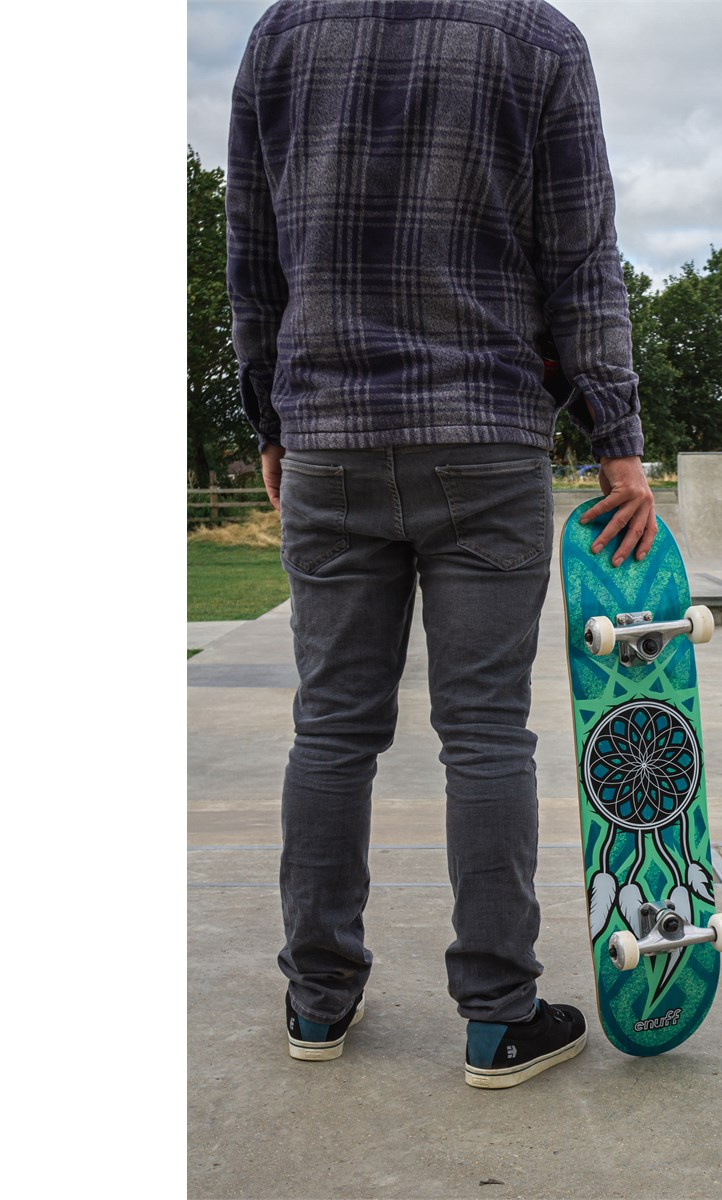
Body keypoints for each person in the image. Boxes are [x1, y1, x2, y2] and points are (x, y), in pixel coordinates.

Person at [225, 0, 655, 1088]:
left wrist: (272, 420)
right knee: (486, 732)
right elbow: (582, 259)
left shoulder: (280, 35)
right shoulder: (538, 38)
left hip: (329, 437)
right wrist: (618, 440)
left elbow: (253, 259)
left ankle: (317, 1001)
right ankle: (499, 1018)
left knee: (332, 729)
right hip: (485, 437)